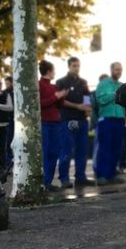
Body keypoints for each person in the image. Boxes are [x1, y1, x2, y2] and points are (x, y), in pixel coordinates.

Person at [56, 57, 92, 187]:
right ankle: (64, 178)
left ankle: (80, 177)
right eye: (74, 66)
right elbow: (60, 101)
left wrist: (87, 108)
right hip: (68, 119)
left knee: (82, 150)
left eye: (78, 65)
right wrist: (77, 106)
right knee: (66, 150)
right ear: (69, 66)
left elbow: (87, 97)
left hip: (82, 119)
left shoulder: (83, 82)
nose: (77, 68)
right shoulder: (61, 82)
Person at [94, 62, 126, 185]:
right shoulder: (103, 84)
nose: (119, 72)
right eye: (117, 69)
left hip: (120, 119)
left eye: (120, 70)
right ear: (111, 70)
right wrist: (114, 94)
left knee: (116, 148)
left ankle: (112, 174)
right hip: (106, 120)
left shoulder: (122, 85)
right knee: (105, 148)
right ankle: (102, 175)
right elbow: (101, 100)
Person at [39, 60, 69, 191]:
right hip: (44, 122)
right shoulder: (39, 84)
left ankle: (48, 182)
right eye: (53, 70)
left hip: (56, 123)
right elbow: (40, 103)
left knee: (54, 152)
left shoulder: (54, 87)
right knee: (45, 152)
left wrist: (62, 96)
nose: (54, 73)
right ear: (49, 71)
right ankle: (44, 182)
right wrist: (56, 97)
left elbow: (59, 105)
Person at [0, 75, 14, 183]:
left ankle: (3, 169)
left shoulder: (6, 94)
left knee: (3, 148)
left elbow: (10, 107)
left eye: (0, 83)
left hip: (4, 124)